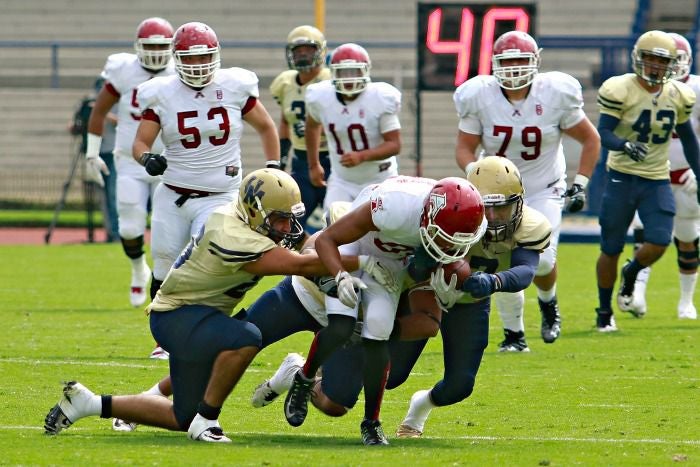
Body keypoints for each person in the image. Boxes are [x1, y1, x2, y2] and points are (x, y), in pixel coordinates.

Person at [43, 169, 394, 443]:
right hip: (177, 317)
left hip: (199, 316)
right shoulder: (233, 236)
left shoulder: (247, 220)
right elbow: (301, 265)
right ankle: (209, 421)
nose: (287, 227)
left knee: (181, 417)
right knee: (245, 337)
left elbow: (304, 245)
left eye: (289, 218)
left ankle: (90, 404)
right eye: (279, 219)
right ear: (256, 213)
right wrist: (362, 263)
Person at [283, 175, 487, 445]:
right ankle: (304, 377)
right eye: (445, 240)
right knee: (342, 324)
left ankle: (371, 422)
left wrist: (447, 289)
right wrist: (340, 275)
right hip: (358, 244)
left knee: (379, 329)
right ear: (428, 218)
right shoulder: (393, 207)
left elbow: (441, 261)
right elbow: (327, 241)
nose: (450, 249)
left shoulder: (462, 222)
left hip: (390, 261)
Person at [453, 30, 600, 349]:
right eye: (508, 62)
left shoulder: (555, 93)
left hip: (543, 188)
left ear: (536, 62)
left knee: (543, 262)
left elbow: (591, 139)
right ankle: (514, 335)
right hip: (497, 195)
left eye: (521, 61)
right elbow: (465, 148)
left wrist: (580, 185)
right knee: (502, 260)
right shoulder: (479, 95)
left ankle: (548, 303)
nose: (515, 69)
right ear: (494, 64)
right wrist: (478, 174)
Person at [396, 156, 551, 436]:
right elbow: (415, 260)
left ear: (518, 202)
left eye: (502, 208)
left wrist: (494, 281)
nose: (492, 218)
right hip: (427, 293)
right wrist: (422, 265)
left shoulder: (530, 225)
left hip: (470, 302)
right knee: (392, 375)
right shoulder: (455, 212)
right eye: (487, 208)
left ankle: (420, 406)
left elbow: (526, 270)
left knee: (460, 386)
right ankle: (323, 370)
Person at [132, 22, 281, 307]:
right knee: (164, 266)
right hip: (173, 194)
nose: (198, 65)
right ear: (176, 58)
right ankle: (162, 338)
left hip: (220, 195)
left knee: (205, 264)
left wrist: (272, 165)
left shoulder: (234, 86)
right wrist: (146, 158)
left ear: (216, 55)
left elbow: (266, 127)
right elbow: (140, 143)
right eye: (190, 57)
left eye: (204, 56)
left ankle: (202, 325)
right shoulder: (162, 93)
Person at [594, 30, 700, 331]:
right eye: (650, 60)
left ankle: (632, 272)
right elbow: (603, 132)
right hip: (622, 177)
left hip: (656, 178)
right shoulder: (619, 89)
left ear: (671, 65)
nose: (655, 67)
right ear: (638, 60)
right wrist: (625, 145)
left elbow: (690, 141)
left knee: (660, 240)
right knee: (610, 248)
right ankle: (604, 311)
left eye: (661, 61)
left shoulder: (679, 95)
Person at [625, 32, 700, 320]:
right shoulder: (638, 89)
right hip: (651, 172)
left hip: (686, 175)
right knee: (645, 233)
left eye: (678, 60)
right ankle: (637, 292)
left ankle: (685, 301)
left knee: (687, 235)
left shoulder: (694, 89)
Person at [305, 43, 402, 210]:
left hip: (380, 179)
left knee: (382, 228)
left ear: (365, 70)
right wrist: (314, 164)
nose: (349, 78)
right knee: (332, 223)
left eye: (354, 71)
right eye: (343, 72)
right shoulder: (321, 97)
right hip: (342, 180)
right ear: (333, 73)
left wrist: (362, 156)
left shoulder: (380, 97)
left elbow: (394, 144)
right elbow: (312, 126)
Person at [270, 25, 332, 230]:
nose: (302, 53)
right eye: (298, 50)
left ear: (320, 51)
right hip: (300, 162)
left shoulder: (330, 81)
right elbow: (286, 121)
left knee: (338, 222)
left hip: (332, 160)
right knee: (289, 223)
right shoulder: (285, 83)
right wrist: (282, 158)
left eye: (309, 49)